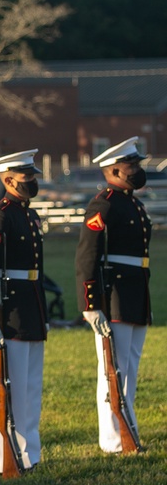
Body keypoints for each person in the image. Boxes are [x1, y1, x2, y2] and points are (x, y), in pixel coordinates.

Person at [74, 137, 151, 453]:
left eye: (136, 164)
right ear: (114, 170)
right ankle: (112, 438)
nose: (136, 170)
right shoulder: (103, 203)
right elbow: (86, 256)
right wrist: (90, 304)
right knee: (112, 369)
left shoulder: (132, 202)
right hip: (115, 294)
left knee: (129, 368)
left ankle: (126, 429)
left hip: (135, 292)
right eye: (131, 166)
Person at [0, 149, 46, 474]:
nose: (31, 181)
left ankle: (30, 454)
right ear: (8, 179)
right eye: (25, 177)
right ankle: (10, 453)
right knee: (9, 385)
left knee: (30, 387)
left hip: (31, 306)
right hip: (10, 308)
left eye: (32, 176)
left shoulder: (28, 215)